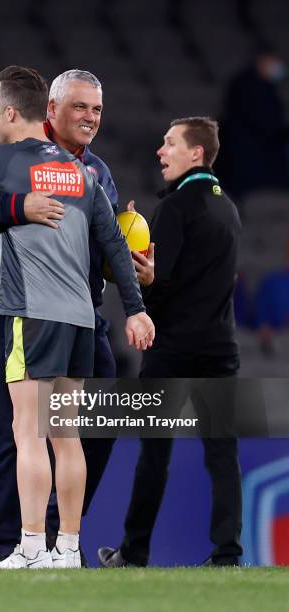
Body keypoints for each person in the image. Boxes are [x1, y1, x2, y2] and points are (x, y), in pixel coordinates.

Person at [0, 65, 155, 569]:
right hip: (71, 314)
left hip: (29, 311)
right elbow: (113, 245)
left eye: (97, 109)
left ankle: (32, 547)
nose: (91, 117)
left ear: (11, 113)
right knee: (58, 434)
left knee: (26, 432)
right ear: (48, 110)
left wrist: (13, 203)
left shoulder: (9, 159)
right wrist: (137, 311)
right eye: (81, 107)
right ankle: (60, 548)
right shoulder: (84, 175)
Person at [98, 117, 243, 568]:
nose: (161, 151)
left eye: (170, 143)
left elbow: (162, 286)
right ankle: (227, 554)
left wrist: (140, 279)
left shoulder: (177, 208)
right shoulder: (228, 208)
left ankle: (134, 551)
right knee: (222, 453)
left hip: (173, 349)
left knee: (154, 454)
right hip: (220, 349)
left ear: (196, 153)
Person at [217, 44, 289, 199]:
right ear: (262, 61)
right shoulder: (248, 86)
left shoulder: (264, 86)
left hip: (256, 153)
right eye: (273, 61)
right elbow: (264, 123)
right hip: (249, 155)